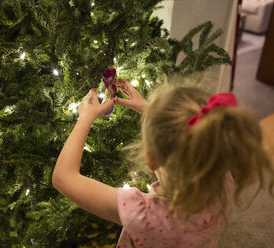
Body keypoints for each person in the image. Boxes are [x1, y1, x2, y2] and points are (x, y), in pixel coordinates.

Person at [52, 79, 274, 247]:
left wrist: (85, 118)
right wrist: (150, 110)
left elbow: (63, 178)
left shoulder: (145, 215)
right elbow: (195, 137)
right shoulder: (222, 177)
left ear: (151, 159)